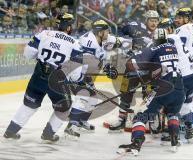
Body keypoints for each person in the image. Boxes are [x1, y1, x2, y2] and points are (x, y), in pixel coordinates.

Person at [3, 13, 82, 142]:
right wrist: (77, 79)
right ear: (68, 27)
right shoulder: (75, 44)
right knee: (64, 107)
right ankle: (48, 134)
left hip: (38, 75)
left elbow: (28, 53)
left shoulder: (43, 34)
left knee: (29, 105)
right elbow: (76, 74)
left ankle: (10, 132)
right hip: (56, 81)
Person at [117, 29, 185, 154]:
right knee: (172, 113)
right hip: (180, 90)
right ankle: (174, 139)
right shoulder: (173, 47)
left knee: (140, 115)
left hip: (164, 88)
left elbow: (134, 64)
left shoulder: (154, 48)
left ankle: (136, 143)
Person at [64, 19, 125, 137]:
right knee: (83, 96)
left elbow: (119, 43)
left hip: (85, 72)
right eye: (107, 31)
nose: (108, 34)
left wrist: (107, 67)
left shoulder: (103, 39)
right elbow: (89, 63)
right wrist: (106, 69)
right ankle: (72, 125)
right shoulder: (88, 41)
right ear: (100, 32)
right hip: (75, 72)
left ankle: (81, 121)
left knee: (93, 98)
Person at [107, 10, 160, 132]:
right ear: (146, 20)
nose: (154, 23)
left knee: (149, 95)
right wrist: (125, 43)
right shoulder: (136, 26)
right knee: (126, 92)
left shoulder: (160, 33)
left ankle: (151, 121)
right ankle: (121, 120)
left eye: (156, 21)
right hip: (132, 66)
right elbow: (121, 29)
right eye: (151, 20)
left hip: (149, 70)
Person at [174, 7, 193, 143]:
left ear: (187, 18)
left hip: (185, 70)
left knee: (178, 100)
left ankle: (174, 130)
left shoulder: (182, 30)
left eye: (179, 17)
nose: (176, 20)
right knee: (191, 100)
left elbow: (179, 48)